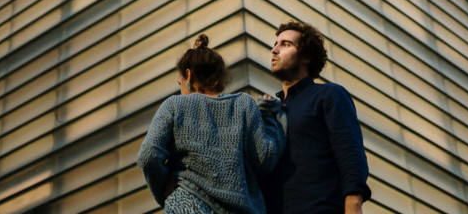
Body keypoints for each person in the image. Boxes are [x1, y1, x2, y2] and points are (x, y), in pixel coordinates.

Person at [137, 34, 286, 213]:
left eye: (180, 84)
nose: (181, 90)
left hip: (187, 203)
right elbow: (265, 159)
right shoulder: (244, 103)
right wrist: (270, 117)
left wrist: (163, 191)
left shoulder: (175, 105)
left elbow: (148, 156)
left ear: (188, 75)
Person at [263, 21, 371, 214]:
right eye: (275, 44)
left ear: (307, 55)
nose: (274, 50)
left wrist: (353, 204)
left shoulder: (329, 94)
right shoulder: (272, 111)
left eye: (285, 44)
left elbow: (350, 152)